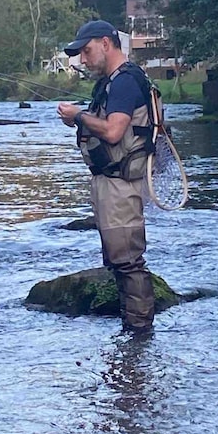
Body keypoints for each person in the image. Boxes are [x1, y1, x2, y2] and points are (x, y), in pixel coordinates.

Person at [57, 19, 155, 331]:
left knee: (128, 263)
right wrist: (80, 121)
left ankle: (139, 333)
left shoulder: (125, 82)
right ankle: (132, 336)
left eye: (86, 52)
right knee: (117, 260)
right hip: (109, 182)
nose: (83, 60)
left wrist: (79, 116)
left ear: (105, 43)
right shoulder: (112, 82)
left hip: (121, 185)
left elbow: (114, 132)